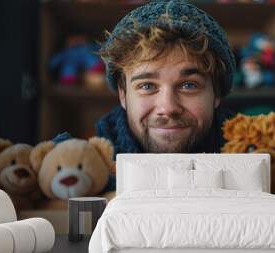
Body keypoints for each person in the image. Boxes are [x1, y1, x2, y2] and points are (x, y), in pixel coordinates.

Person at [95, 0, 237, 196]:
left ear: (217, 93)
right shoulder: (87, 168)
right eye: (147, 86)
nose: (168, 107)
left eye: (189, 85)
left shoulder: (259, 156)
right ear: (123, 94)